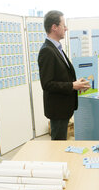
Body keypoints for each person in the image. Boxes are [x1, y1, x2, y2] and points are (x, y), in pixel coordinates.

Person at [38, 10, 90, 140]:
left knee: (61, 142)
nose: (66, 28)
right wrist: (72, 85)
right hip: (58, 109)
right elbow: (47, 84)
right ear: (54, 27)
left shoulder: (56, 48)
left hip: (64, 107)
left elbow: (60, 76)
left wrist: (77, 84)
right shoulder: (47, 51)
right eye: (63, 25)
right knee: (58, 144)